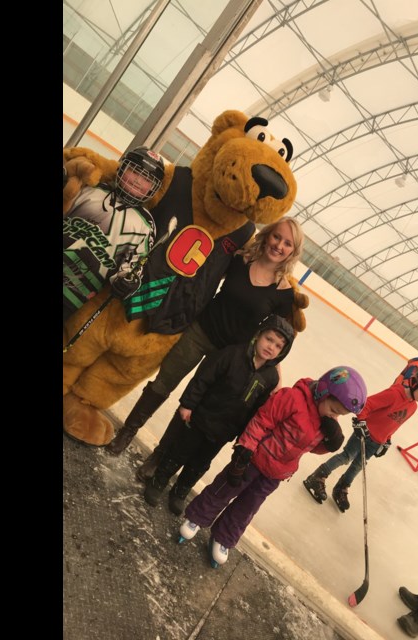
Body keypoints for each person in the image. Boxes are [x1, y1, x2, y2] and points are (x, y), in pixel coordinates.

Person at [106, 216, 305, 457]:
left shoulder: (284, 293)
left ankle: (159, 457)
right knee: (163, 383)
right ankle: (128, 431)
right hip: (200, 331)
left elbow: (276, 335)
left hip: (229, 353)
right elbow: (204, 280)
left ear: (293, 252)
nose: (279, 246)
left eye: (287, 244)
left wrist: (277, 374)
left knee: (194, 405)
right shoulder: (240, 261)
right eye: (277, 237)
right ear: (268, 235)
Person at [176, 366, 367, 568]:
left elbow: (309, 448)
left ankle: (223, 538)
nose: (334, 417)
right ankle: (197, 518)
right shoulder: (292, 398)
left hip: (275, 474)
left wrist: (329, 444)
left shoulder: (324, 422)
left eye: (339, 415)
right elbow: (262, 421)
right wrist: (244, 450)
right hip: (252, 460)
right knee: (223, 489)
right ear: (323, 391)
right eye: (334, 410)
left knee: (247, 507)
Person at [143, 314, 294, 515]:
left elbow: (257, 411)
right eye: (269, 339)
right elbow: (203, 379)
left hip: (224, 430)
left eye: (278, 346)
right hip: (200, 418)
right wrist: (188, 404)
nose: (271, 347)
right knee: (180, 451)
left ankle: (180, 491)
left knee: (200, 462)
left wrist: (243, 437)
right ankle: (159, 480)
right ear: (258, 335)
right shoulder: (232, 354)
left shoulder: (270, 377)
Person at [303, 357, 418, 512]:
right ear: (414, 383)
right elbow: (367, 405)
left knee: (359, 464)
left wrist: (387, 441)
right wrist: (360, 422)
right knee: (347, 456)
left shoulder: (412, 407)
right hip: (364, 433)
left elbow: (395, 425)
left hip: (377, 441)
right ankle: (317, 476)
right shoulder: (394, 394)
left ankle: (342, 487)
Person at [63, 146, 165, 324]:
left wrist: (127, 283)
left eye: (146, 178)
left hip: (72, 295)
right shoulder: (90, 189)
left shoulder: (145, 226)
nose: (137, 181)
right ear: (122, 168)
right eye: (134, 171)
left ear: (153, 188)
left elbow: (130, 271)